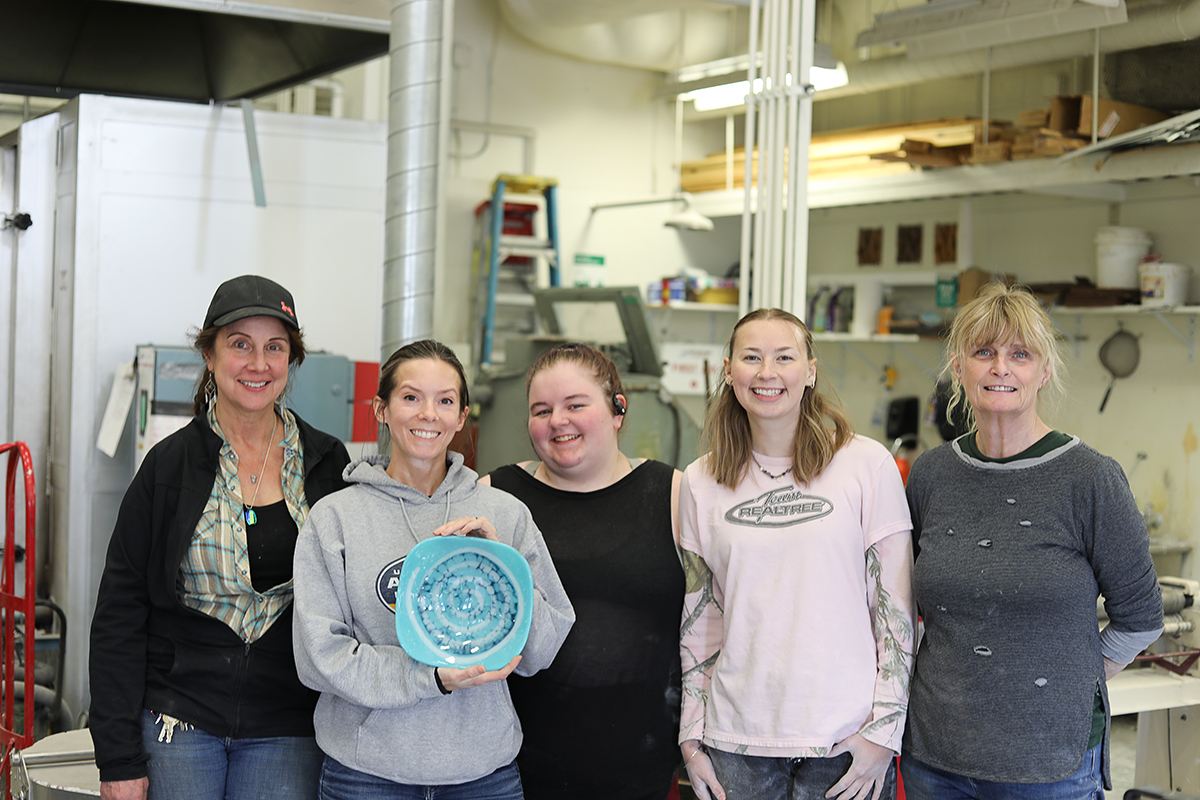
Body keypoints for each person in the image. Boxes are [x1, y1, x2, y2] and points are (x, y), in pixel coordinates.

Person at [89, 274, 352, 800]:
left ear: (290, 360)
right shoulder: (168, 467)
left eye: (274, 347)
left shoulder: (327, 464)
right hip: (179, 722)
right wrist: (117, 757)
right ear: (209, 355)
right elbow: (121, 611)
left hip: (287, 725)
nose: (258, 364)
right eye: (240, 345)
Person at [900, 282, 1164, 800]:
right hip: (934, 756)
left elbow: (1142, 616)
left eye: (1019, 354)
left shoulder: (1090, 479)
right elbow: (900, 605)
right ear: (959, 368)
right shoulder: (931, 474)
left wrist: (1076, 681)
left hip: (1050, 765)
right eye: (984, 352)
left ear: (1044, 371)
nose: (1001, 368)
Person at [291, 338, 575, 800]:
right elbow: (319, 662)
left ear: (462, 417)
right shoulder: (334, 518)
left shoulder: (504, 514)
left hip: (483, 775)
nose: (429, 414)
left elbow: (540, 653)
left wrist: (504, 567)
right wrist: (430, 677)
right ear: (381, 409)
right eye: (410, 397)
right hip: (366, 775)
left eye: (445, 401)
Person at [679, 308, 916, 800]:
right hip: (734, 742)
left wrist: (882, 734)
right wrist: (691, 736)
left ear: (809, 370)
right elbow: (701, 619)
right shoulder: (701, 480)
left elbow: (895, 611)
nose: (767, 373)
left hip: (844, 743)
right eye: (751, 357)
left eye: (784, 357)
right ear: (729, 371)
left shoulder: (866, 465)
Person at [481, 342, 685, 800]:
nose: (558, 420)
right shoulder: (496, 495)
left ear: (618, 410)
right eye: (541, 409)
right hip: (514, 767)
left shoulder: (673, 494)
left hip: (643, 763)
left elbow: (710, 622)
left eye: (576, 405)